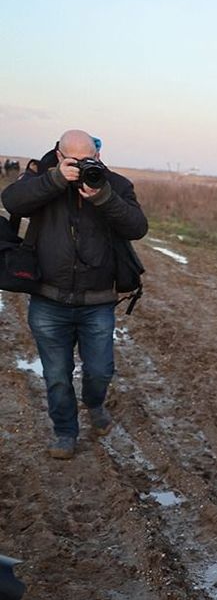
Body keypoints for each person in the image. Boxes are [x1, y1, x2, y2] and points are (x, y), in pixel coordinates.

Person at [1, 130, 147, 459]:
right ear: (59, 153)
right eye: (74, 161)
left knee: (100, 371)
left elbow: (137, 227)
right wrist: (54, 179)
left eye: (89, 160)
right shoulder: (42, 177)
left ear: (97, 156)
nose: (83, 166)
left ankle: (94, 403)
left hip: (97, 302)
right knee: (56, 375)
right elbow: (11, 201)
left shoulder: (115, 184)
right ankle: (65, 432)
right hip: (48, 300)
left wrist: (103, 196)